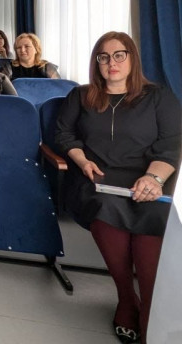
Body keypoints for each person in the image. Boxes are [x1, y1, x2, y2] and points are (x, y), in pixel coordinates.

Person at [55, 32, 180, 343]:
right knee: (106, 210)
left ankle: (151, 307)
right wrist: (82, 161)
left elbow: (172, 144)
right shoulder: (80, 96)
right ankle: (126, 298)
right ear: (96, 63)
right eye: (104, 57)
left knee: (154, 217)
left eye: (119, 55)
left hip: (148, 179)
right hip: (97, 180)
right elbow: (64, 135)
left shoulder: (158, 97)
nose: (111, 62)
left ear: (132, 58)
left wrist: (153, 179)